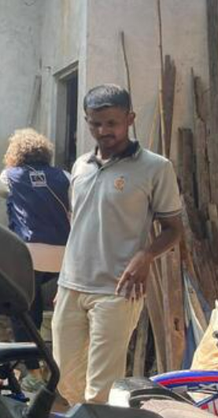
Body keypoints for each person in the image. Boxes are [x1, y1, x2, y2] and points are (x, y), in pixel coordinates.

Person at [52, 84, 183, 405]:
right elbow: (78, 226)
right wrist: (63, 282)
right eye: (95, 123)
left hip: (118, 290)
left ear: (130, 118)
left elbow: (173, 228)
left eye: (111, 123)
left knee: (100, 388)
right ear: (87, 120)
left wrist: (146, 255)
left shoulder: (155, 167)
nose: (103, 130)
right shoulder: (81, 166)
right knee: (62, 379)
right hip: (72, 287)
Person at [0, 128, 70, 391]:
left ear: (16, 153)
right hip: (64, 255)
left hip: (30, 254)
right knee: (64, 313)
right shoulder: (65, 176)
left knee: (23, 309)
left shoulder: (10, 176)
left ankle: (33, 370)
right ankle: (60, 366)